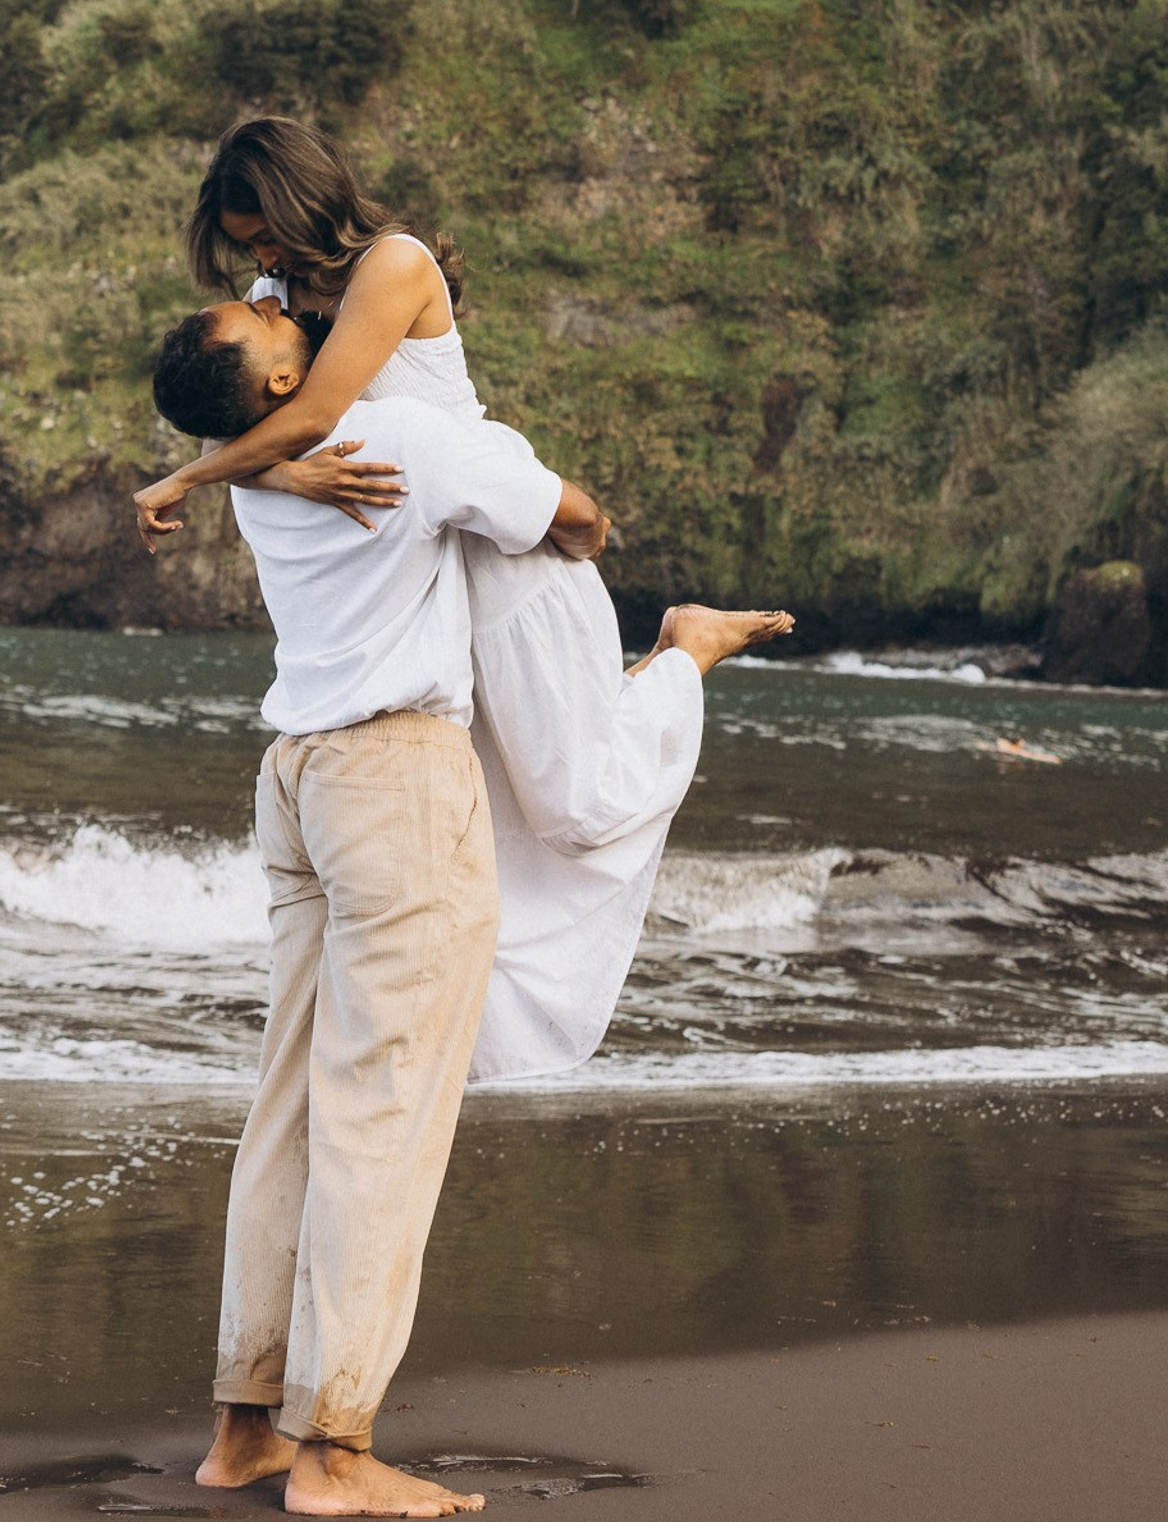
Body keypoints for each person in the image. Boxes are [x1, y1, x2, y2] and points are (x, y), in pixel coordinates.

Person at [136, 116, 789, 1080]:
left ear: (303, 197)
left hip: (500, 547)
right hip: (419, 583)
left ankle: (682, 652)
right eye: (245, 246)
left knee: (570, 806)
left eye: (263, 233)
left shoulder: (392, 267)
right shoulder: (275, 304)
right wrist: (280, 478)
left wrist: (194, 484)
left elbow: (307, 418)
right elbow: (239, 430)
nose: (259, 261)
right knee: (497, 820)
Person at [147, 289, 592, 1518]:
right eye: (269, 318)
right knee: (379, 1115)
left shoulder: (260, 471)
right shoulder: (399, 439)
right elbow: (578, 518)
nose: (292, 310)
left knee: (288, 1103)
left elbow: (257, 435)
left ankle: (243, 1426)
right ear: (283, 381)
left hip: (292, 774)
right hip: (393, 774)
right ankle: (335, 1448)